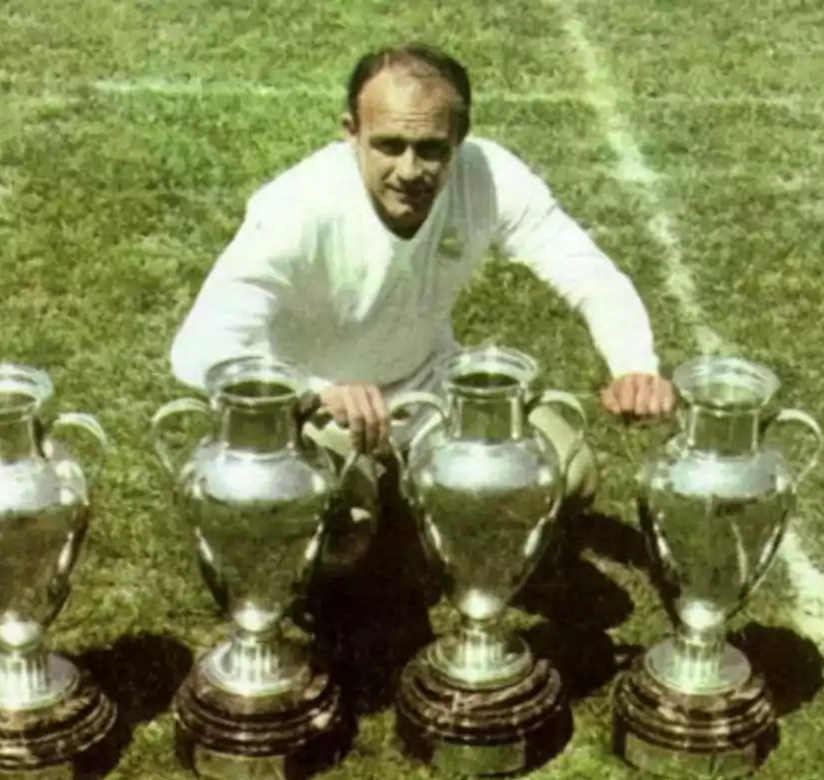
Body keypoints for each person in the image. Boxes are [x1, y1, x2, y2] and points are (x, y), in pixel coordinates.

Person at [169, 43, 676, 570]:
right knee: (334, 538)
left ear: (460, 138)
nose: (409, 170)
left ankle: (463, 564)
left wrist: (635, 366)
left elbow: (589, 273)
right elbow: (201, 346)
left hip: (430, 382)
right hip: (318, 403)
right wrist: (314, 393)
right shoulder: (294, 207)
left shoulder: (492, 176)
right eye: (387, 145)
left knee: (567, 471)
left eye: (431, 148)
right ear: (350, 132)